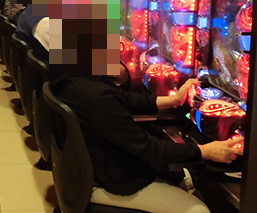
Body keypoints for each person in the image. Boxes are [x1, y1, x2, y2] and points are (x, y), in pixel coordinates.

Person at [52, 75, 243, 213]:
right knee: (198, 210)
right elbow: (148, 148)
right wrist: (204, 150)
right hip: (107, 182)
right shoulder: (95, 96)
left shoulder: (73, 79)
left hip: (90, 169)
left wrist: (174, 100)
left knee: (185, 179)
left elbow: (123, 98)